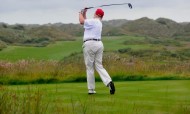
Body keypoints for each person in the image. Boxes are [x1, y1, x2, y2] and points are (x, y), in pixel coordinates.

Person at [79, 8, 115, 95]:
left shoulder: (94, 21)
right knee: (99, 65)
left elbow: (81, 21)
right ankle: (109, 82)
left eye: (95, 13)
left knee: (90, 67)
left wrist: (80, 12)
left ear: (97, 14)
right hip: (99, 44)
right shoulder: (97, 23)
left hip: (90, 44)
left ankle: (91, 90)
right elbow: (85, 21)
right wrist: (84, 13)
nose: (94, 14)